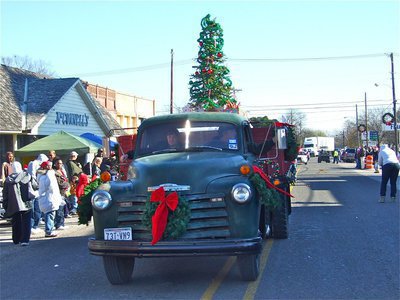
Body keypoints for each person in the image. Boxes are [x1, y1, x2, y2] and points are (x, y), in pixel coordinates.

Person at [2, 163, 36, 246]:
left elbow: (5, 193)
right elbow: (35, 186)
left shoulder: (8, 180)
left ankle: (16, 239)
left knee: (16, 221)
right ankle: (25, 240)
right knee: (26, 222)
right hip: (27, 202)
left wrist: (5, 204)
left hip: (14, 204)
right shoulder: (27, 176)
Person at [37, 160, 63, 237]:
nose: (50, 167)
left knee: (50, 214)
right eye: (48, 165)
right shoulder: (46, 175)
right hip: (48, 197)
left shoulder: (43, 175)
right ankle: (49, 231)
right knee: (50, 214)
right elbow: (50, 186)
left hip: (49, 197)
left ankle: (50, 229)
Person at [27, 153, 48, 234]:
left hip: (37, 190)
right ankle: (32, 226)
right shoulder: (33, 163)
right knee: (32, 208)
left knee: (37, 208)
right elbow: (32, 176)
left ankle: (35, 225)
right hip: (32, 189)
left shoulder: (38, 165)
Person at [53, 158, 70, 229]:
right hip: (59, 192)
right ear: (55, 164)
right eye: (58, 163)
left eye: (61, 163)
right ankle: (59, 224)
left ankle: (61, 223)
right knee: (59, 209)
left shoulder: (61, 171)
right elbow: (60, 183)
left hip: (64, 192)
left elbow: (65, 180)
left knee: (63, 208)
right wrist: (67, 184)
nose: (60, 165)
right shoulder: (55, 172)